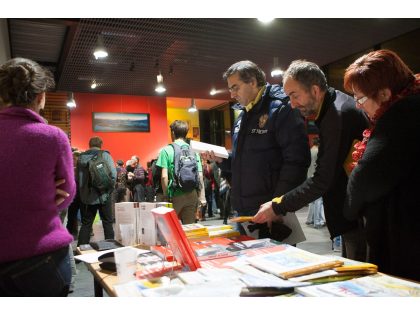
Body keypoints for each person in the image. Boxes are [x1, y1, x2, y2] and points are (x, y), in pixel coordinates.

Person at [253, 60, 369, 261]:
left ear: (315, 90)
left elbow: (323, 179)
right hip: (352, 211)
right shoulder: (333, 107)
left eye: (294, 95)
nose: (292, 103)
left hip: (359, 216)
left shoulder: (336, 116)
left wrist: (277, 206)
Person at [205, 60, 310, 240]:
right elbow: (243, 162)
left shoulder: (281, 108)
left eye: (235, 87)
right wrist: (222, 160)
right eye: (230, 89)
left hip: (270, 210)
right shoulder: (243, 116)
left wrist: (278, 205)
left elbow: (296, 161)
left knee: (276, 265)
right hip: (244, 211)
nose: (232, 94)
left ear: (252, 82)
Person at [0, 57, 76, 296]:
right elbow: (66, 195)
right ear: (41, 95)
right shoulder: (52, 136)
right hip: (42, 258)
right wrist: (41, 192)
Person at [343, 49, 420, 280]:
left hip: (407, 239)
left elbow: (367, 178)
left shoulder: (402, 115)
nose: (358, 106)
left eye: (361, 98)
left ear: (385, 94)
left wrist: (350, 208)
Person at [156, 120, 206, 224]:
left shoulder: (166, 150)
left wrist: (166, 196)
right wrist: (201, 197)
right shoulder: (193, 151)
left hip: (175, 194)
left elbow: (164, 177)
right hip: (192, 194)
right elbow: (200, 175)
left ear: (173, 133)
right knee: (189, 228)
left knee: (169, 227)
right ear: (186, 133)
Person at [77, 136, 116, 246]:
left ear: (89, 144)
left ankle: (81, 250)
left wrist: (83, 192)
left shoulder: (80, 158)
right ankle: (110, 248)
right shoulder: (105, 155)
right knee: (107, 222)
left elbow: (78, 179)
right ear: (101, 144)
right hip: (104, 195)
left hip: (87, 197)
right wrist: (109, 190)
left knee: (86, 224)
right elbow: (113, 175)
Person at [305, 137, 326, 228]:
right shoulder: (318, 152)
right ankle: (317, 221)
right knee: (318, 200)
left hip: (309, 176)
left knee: (312, 200)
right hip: (316, 177)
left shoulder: (310, 150)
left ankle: (310, 219)